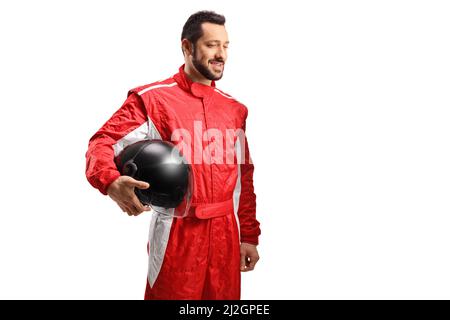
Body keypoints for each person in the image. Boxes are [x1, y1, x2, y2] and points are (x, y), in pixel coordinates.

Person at [85, 10, 261, 300]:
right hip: (177, 236)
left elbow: (243, 178)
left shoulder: (234, 110)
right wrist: (110, 181)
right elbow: (102, 142)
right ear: (187, 47)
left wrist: (249, 236)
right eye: (211, 45)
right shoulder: (153, 100)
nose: (221, 54)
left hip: (225, 236)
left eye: (225, 45)